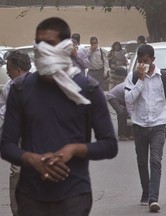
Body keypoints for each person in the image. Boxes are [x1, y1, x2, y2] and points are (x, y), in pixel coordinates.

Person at [0, 17, 118, 216]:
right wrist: (31, 159)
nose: (45, 52)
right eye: (40, 46)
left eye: (51, 46)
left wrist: (74, 149)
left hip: (74, 195)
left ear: (65, 48)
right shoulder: (20, 90)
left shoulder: (88, 90)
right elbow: (6, 145)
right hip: (31, 195)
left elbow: (109, 145)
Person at [124, 44, 166, 212]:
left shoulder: (164, 77)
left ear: (153, 60)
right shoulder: (132, 77)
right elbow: (129, 99)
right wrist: (140, 79)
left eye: (145, 61)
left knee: (155, 160)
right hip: (139, 125)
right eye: (140, 61)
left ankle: (153, 198)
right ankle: (146, 192)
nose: (142, 65)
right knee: (141, 161)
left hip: (158, 124)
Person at [0, 50, 31, 216]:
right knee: (18, 173)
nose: (6, 72)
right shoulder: (8, 87)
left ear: (18, 69)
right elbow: (2, 107)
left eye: (9, 69)